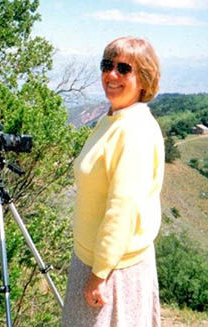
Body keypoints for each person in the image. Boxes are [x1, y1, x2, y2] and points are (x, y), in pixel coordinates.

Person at [61, 37, 165, 327]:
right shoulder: (112, 119)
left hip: (114, 270)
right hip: (93, 260)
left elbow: (122, 209)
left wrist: (99, 274)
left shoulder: (134, 130)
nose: (111, 75)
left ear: (144, 79)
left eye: (123, 68)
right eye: (107, 66)